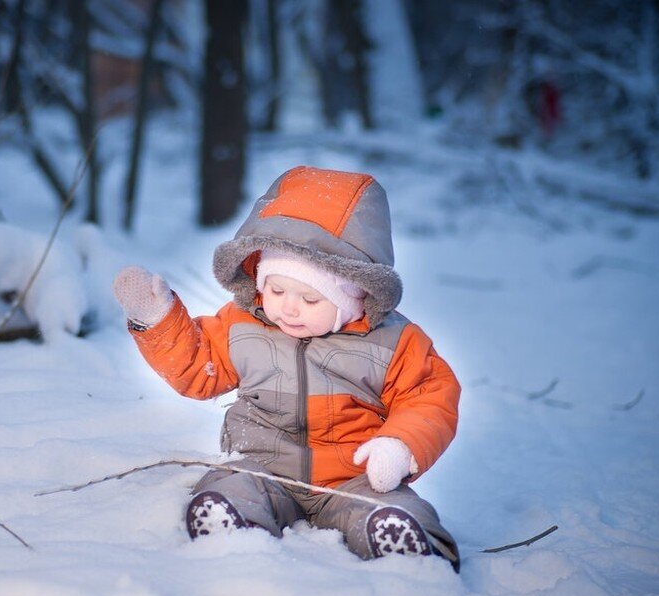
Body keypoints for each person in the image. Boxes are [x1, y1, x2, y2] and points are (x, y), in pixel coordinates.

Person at [113, 166, 461, 571]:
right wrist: (157, 319)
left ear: (354, 296)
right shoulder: (243, 324)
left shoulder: (393, 341)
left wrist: (401, 445)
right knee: (232, 483)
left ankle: (403, 543)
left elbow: (430, 396)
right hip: (266, 468)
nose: (288, 308)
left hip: (355, 477)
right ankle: (231, 520)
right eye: (276, 290)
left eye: (310, 300)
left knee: (389, 505)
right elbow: (197, 365)